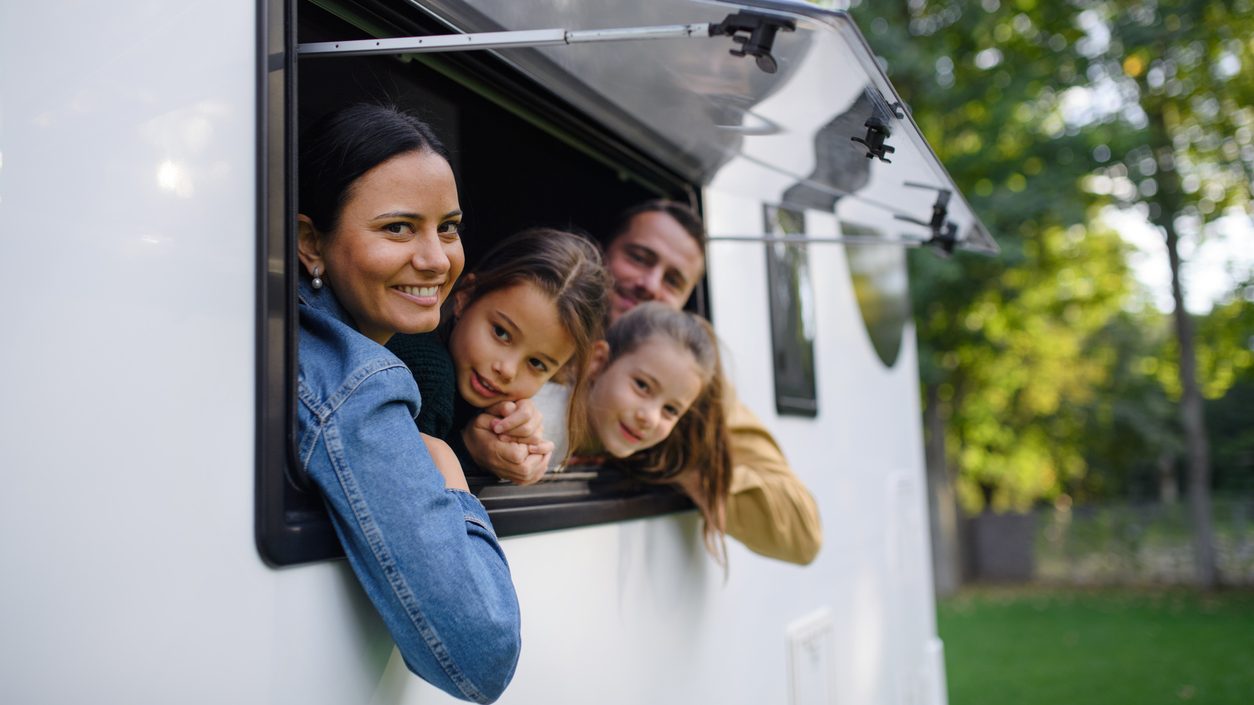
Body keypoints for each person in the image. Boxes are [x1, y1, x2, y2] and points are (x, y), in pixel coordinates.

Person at [295, 102, 520, 704]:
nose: (437, 259)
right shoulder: (354, 380)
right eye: (397, 228)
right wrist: (452, 481)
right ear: (310, 242)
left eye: (448, 226)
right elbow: (481, 655)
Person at [470, 200, 823, 566]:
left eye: (673, 281)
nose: (650, 285)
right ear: (606, 253)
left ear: (685, 300)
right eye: (639, 257)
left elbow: (802, 533)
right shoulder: (532, 323)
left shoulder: (695, 400)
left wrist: (676, 454)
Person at [389, 228, 610, 481]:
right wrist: (470, 451)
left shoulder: (498, 405)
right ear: (466, 296)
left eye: (536, 363)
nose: (508, 369)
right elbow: (398, 483)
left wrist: (511, 440)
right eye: (501, 333)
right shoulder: (426, 372)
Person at [568, 303, 733, 562]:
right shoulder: (536, 419)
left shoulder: (644, 456)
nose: (650, 418)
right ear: (598, 362)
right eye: (642, 386)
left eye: (670, 409)